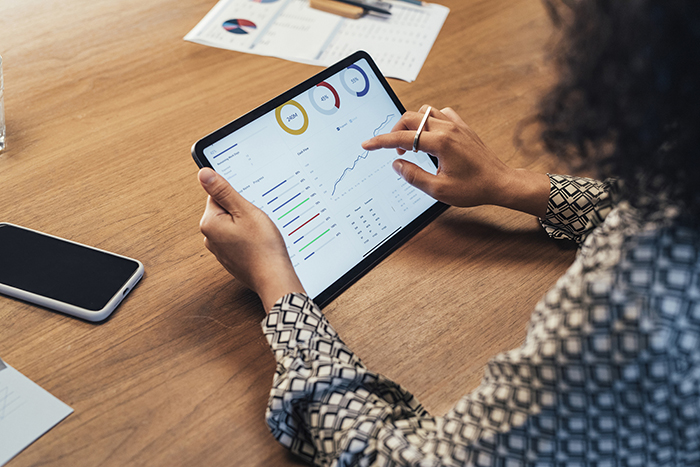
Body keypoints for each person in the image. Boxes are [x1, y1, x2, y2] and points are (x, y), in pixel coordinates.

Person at [198, 0, 700, 465]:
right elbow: (663, 202)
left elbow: (402, 460)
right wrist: (511, 184)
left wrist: (276, 283)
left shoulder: (635, 305)